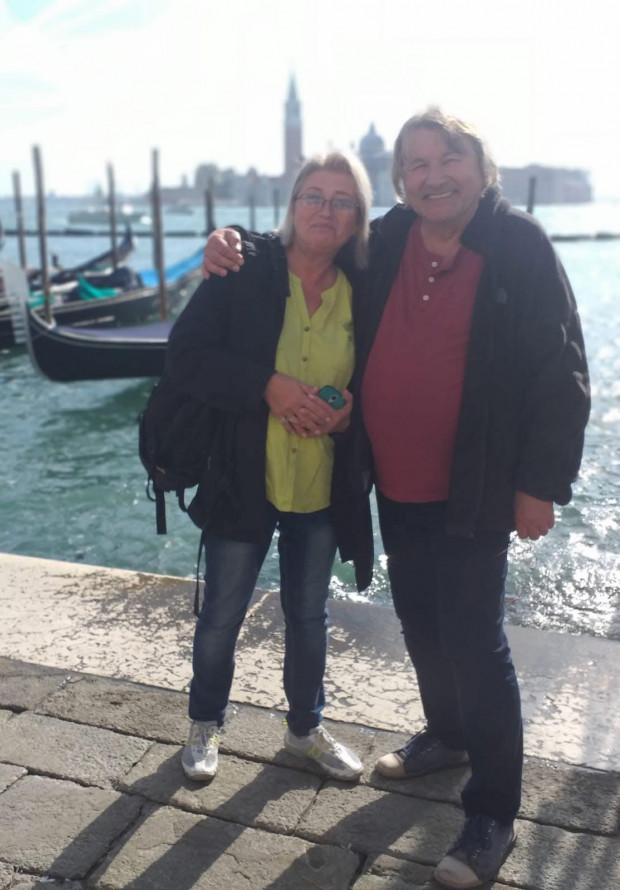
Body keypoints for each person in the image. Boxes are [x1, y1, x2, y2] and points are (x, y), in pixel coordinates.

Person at [202, 108, 590, 888]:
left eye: (449, 159)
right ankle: (446, 735)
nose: (433, 174)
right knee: (418, 620)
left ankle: (492, 814)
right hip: (395, 481)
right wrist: (230, 243)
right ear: (401, 181)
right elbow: (312, 236)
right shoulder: (389, 238)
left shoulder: (519, 244)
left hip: (477, 486)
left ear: (481, 168)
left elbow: (562, 373)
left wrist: (540, 486)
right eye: (417, 163)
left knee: (475, 640)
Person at [165, 151, 374, 783]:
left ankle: (304, 729)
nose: (325, 211)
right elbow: (185, 357)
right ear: (292, 204)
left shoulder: (365, 290)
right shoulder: (244, 267)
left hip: (321, 484)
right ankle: (205, 722)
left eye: (342, 201)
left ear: (357, 218)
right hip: (243, 477)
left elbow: (381, 380)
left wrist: (349, 414)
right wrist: (267, 386)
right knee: (221, 613)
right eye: (314, 196)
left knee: (310, 616)